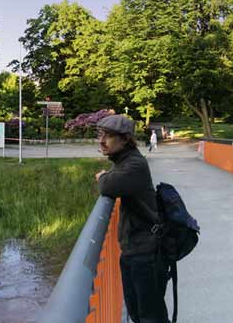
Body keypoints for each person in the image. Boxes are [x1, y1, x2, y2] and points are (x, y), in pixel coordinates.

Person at [94, 114, 169, 323]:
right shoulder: (124, 160)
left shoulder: (134, 164)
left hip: (145, 252)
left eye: (108, 136)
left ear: (125, 139)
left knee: (150, 316)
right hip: (135, 248)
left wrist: (102, 177)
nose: (102, 140)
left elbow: (108, 185)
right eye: (101, 134)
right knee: (137, 312)